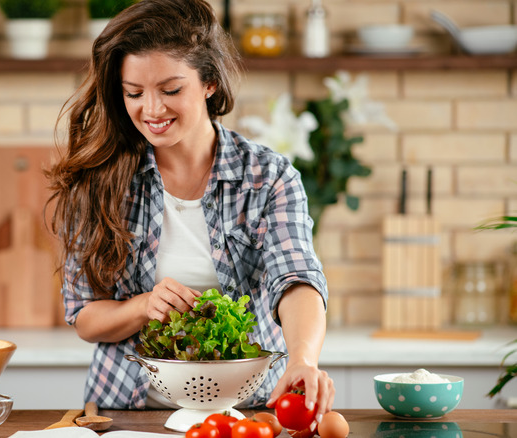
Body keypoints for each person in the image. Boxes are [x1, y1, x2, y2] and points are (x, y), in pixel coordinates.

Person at [46, 0, 334, 425]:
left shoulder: (268, 177)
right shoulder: (99, 180)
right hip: (126, 413)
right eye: (134, 93)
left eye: (171, 90)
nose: (152, 110)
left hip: (248, 412)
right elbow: (86, 316)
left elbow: (295, 278)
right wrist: (144, 306)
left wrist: (303, 359)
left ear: (210, 83)